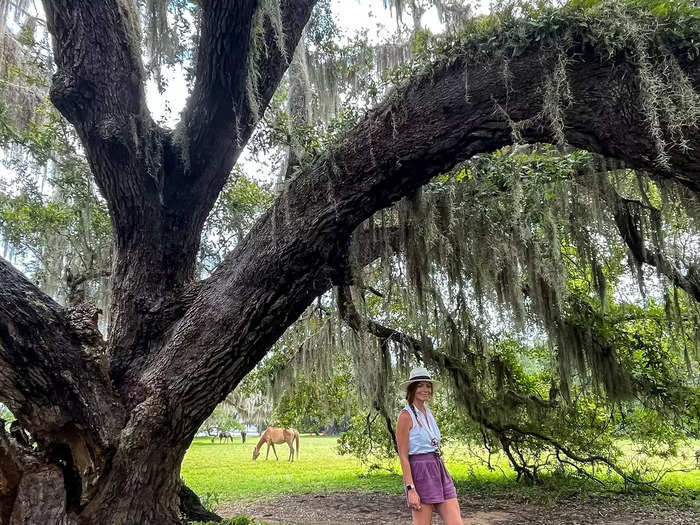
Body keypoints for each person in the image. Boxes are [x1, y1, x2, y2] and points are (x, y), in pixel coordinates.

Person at [396, 366, 463, 525]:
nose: (425, 389)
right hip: (420, 472)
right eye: (420, 385)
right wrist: (411, 488)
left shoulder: (429, 412)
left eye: (428, 385)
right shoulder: (405, 416)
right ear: (412, 389)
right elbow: (404, 457)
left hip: (439, 468)